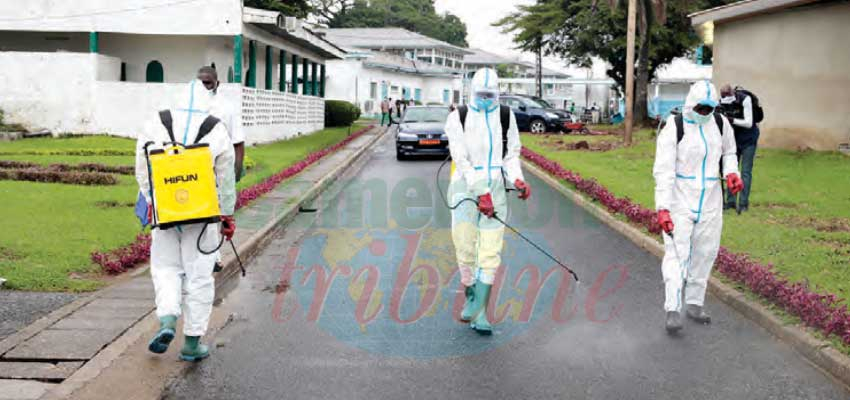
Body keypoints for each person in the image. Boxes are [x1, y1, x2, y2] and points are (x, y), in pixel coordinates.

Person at [135, 79, 237, 361]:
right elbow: (226, 178)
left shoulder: (156, 122)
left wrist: (154, 201)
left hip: (166, 212)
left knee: (166, 268)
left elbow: (143, 169)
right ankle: (192, 343)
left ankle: (167, 320)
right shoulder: (216, 127)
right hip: (203, 216)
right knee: (200, 275)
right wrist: (226, 215)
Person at [444, 67, 531, 335]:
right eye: (480, 94)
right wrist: (480, 192)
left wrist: (517, 179)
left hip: (495, 187)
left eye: (489, 95)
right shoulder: (458, 117)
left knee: (490, 251)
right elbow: (461, 159)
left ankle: (481, 311)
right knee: (466, 248)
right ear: (471, 92)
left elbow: (511, 153)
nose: (485, 99)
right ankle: (471, 294)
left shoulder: (505, 116)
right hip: (465, 188)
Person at [653, 80, 743, 334]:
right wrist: (663, 208)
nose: (704, 113)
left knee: (706, 251)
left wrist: (732, 173)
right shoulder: (675, 127)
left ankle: (694, 303)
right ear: (690, 105)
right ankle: (673, 308)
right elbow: (664, 171)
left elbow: (729, 152)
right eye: (700, 108)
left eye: (708, 108)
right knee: (677, 254)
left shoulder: (720, 123)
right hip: (680, 199)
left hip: (711, 198)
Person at [197, 66, 245, 274]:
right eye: (200, 82)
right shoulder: (188, 106)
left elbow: (238, 141)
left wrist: (236, 170)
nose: (204, 87)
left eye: (208, 82)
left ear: (217, 83)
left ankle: (214, 257)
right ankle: (207, 257)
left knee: (219, 214)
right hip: (195, 168)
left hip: (221, 169)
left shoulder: (227, 107)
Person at [720, 84, 760, 213]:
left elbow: (748, 123)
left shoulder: (745, 99)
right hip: (733, 140)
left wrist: (731, 120)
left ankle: (743, 204)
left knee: (745, 172)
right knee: (731, 170)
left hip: (749, 139)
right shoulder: (720, 102)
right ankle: (730, 201)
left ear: (733, 94)